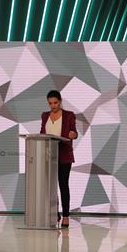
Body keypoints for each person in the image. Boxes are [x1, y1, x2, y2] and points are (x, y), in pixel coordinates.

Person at [40, 90, 78, 228]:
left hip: (64, 155)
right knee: (49, 187)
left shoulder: (69, 115)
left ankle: (66, 216)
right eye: (50, 103)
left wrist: (73, 135)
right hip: (48, 155)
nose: (53, 105)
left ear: (60, 101)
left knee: (63, 185)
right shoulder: (45, 116)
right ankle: (54, 214)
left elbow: (74, 133)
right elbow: (42, 133)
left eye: (55, 102)